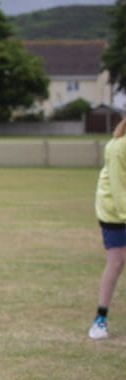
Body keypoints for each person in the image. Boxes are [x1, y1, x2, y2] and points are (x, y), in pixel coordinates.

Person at [88, 118, 126, 339]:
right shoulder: (118, 147)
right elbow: (119, 189)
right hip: (112, 209)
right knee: (117, 260)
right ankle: (100, 319)